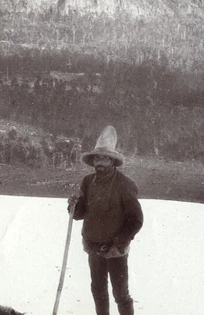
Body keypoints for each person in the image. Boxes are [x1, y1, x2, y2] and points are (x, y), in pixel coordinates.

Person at [67, 126, 144, 315]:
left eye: (105, 158)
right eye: (97, 158)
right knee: (98, 291)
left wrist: (119, 243)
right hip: (93, 247)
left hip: (115, 251)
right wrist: (73, 206)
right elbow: (80, 214)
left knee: (120, 294)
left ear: (113, 161)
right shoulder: (87, 181)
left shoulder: (125, 184)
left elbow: (136, 220)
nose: (99, 162)